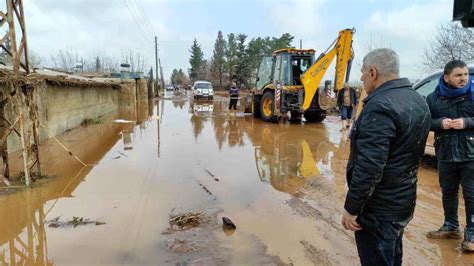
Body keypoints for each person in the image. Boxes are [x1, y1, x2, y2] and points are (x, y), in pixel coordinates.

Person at [341, 48, 431, 265]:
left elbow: (370, 166)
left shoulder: (380, 106)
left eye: (362, 72)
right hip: (402, 202)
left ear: (373, 72)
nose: (361, 77)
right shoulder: (417, 100)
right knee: (391, 256)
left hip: (378, 210)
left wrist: (352, 208)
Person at [425, 60, 474, 251]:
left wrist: (467, 122)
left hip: (470, 154)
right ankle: (451, 227)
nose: (464, 79)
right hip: (445, 153)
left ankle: (471, 233)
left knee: (471, 195)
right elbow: (426, 121)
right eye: (458, 75)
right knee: (448, 192)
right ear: (446, 77)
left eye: (465, 75)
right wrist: (439, 124)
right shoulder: (433, 98)